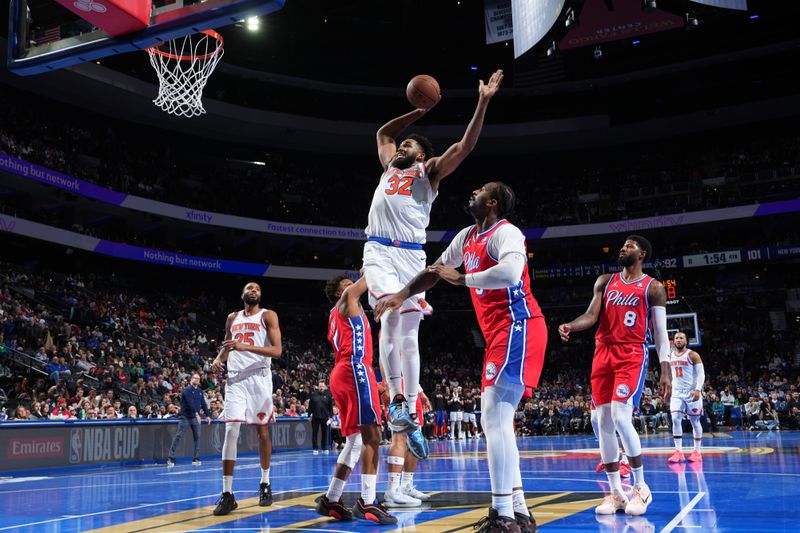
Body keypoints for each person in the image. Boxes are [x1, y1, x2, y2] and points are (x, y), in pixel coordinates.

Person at [376, 181, 545, 533]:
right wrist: (402, 294)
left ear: (493, 203)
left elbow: (512, 273)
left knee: (494, 420)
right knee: (500, 423)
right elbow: (435, 271)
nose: (473, 193)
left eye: (480, 191)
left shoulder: (506, 233)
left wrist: (462, 278)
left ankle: (502, 516)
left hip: (519, 325)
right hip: (502, 333)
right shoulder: (468, 236)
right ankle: (518, 511)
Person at [364, 70, 504, 457]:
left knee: (410, 332)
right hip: (379, 250)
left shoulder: (428, 172)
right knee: (390, 313)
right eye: (401, 145)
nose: (400, 147)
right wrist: (417, 111)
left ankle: (409, 410)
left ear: (420, 154)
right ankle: (396, 400)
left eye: (408, 145)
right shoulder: (389, 165)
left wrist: (483, 101)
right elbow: (383, 133)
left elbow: (465, 145)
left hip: (411, 253)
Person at [558, 235, 672, 516]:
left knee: (621, 417)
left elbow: (660, 332)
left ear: (642, 254)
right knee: (601, 419)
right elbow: (591, 315)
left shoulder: (653, 288)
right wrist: (572, 325)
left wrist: (665, 368)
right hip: (603, 352)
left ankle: (641, 488)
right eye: (623, 245)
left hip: (632, 353)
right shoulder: (605, 281)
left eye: (630, 246)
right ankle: (616, 494)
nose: (623, 248)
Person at [315, 275, 395, 525]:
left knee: (355, 442)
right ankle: (367, 501)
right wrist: (378, 259)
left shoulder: (342, 311)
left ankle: (331, 499)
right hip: (354, 369)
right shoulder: (347, 300)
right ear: (341, 292)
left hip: (347, 371)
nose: (353, 286)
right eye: (347, 284)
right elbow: (369, 277)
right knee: (373, 436)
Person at [211, 282, 282, 516]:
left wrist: (245, 346)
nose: (254, 290)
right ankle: (227, 494)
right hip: (235, 380)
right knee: (231, 431)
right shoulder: (232, 318)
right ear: (242, 294)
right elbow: (227, 344)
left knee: (262, 432)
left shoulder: (267, 315)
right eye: (250, 288)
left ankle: (264, 482)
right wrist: (219, 358)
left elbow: (277, 351)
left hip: (259, 378)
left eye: (258, 289)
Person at [667, 332, 705, 463]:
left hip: (691, 392)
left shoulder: (693, 355)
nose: (678, 340)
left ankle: (697, 451)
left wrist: (698, 389)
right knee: (675, 419)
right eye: (676, 338)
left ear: (686, 341)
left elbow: (701, 374)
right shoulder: (670, 354)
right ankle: (678, 452)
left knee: (695, 421)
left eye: (681, 338)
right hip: (677, 392)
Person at [167, 373, 212, 467]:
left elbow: (203, 403)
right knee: (178, 436)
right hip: (185, 417)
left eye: (198, 378)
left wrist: (208, 415)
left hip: (195, 419)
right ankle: (170, 457)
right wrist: (197, 414)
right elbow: (190, 403)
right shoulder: (186, 390)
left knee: (197, 438)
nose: (197, 380)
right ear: (191, 379)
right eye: (195, 378)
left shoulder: (199, 391)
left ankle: (195, 458)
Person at [309, 380, 333, 455]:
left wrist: (331, 417)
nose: (321, 388)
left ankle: (324, 448)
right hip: (315, 416)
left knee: (325, 433)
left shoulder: (328, 395)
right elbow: (310, 406)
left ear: (325, 387)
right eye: (320, 386)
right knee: (314, 433)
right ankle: (315, 448)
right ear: (318, 387)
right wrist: (309, 415)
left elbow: (330, 407)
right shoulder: (313, 395)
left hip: (325, 417)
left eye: (322, 386)